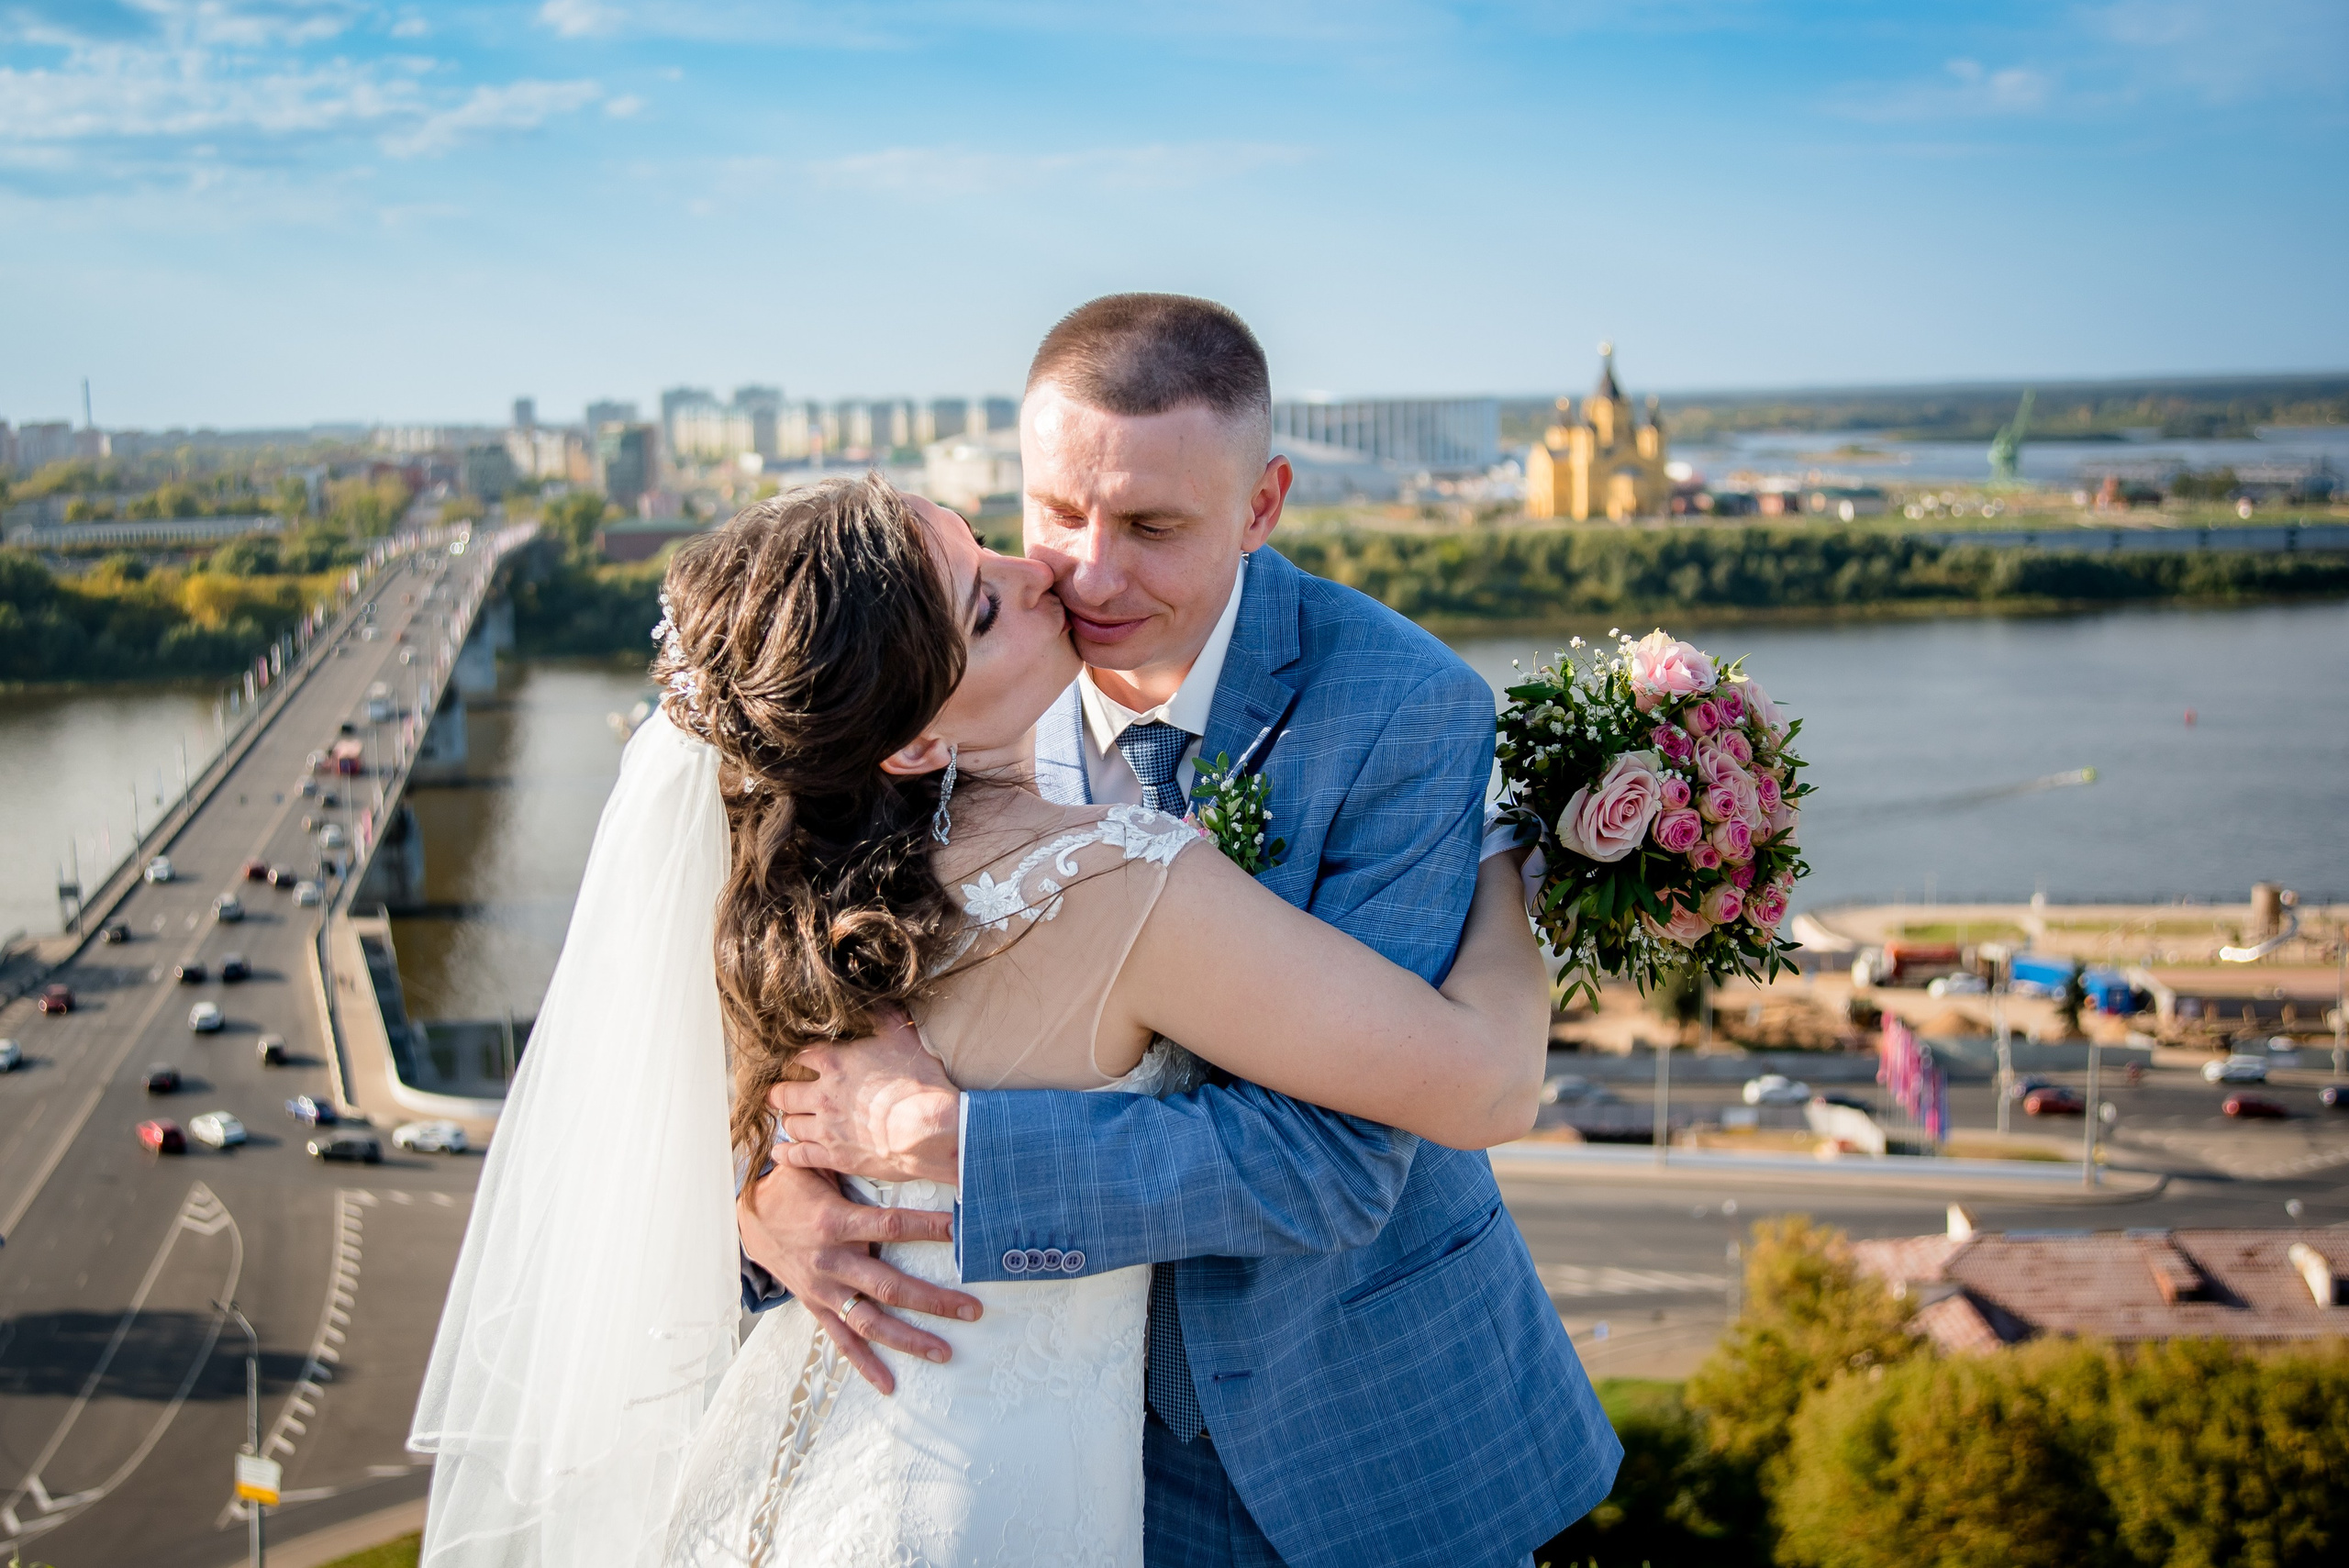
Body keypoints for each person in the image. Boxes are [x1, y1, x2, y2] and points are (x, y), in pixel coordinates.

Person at [409, 469, 1608, 1565]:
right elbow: (1489, 1083)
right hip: (986, 1502)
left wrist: (841, 1175)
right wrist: (1507, 852)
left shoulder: (785, 896)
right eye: (984, 604)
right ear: (913, 738)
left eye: (984, 544)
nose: (1041, 573)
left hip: (794, 1465)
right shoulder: (1125, 880)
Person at [739, 295, 1619, 1568]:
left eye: (1154, 526)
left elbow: (1340, 1160)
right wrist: (771, 1189)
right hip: (1013, 1431)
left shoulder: (1401, 710)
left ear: (1263, 505)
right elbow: (763, 968)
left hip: (1343, 1424)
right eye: (1056, 512)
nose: (1089, 575)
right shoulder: (938, 666)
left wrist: (955, 1143)